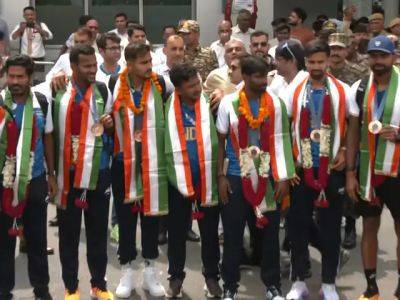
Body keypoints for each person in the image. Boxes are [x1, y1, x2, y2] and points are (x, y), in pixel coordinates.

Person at [284, 40, 359, 300]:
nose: (316, 67)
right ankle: (299, 281)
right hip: (301, 167)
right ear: (305, 62)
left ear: (328, 60)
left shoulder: (342, 89)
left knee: (329, 228)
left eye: (321, 62)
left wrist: (345, 153)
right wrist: (289, 160)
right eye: (311, 62)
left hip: (332, 168)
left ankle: (329, 282)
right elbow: (285, 125)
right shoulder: (294, 90)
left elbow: (352, 123)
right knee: (298, 225)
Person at [217, 55, 295, 300]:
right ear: (247, 77)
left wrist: (282, 178)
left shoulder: (276, 103)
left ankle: (272, 286)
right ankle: (229, 285)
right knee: (232, 233)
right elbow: (220, 141)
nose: (264, 81)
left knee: (270, 233)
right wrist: (221, 176)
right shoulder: (229, 103)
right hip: (235, 175)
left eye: (266, 76)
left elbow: (282, 142)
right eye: (259, 77)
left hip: (265, 173)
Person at [53, 44, 114, 300]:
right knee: (68, 236)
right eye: (86, 66)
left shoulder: (102, 89)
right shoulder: (56, 90)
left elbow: (111, 129)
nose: (92, 70)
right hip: (68, 175)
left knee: (98, 234)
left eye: (93, 65)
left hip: (98, 173)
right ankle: (71, 287)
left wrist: (110, 125)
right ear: (74, 66)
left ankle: (99, 284)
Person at [111, 43, 168, 299]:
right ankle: (126, 270)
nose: (149, 67)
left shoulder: (161, 84)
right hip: (123, 161)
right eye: (143, 63)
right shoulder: (115, 83)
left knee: (151, 217)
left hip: (153, 160)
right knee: (125, 218)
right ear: (129, 64)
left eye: (150, 62)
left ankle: (150, 270)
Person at [346, 35, 400, 300]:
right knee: (369, 226)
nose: (377, 62)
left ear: (394, 57)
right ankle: (371, 288)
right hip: (367, 172)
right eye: (373, 56)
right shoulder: (359, 87)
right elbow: (353, 132)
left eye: (383, 56)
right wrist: (350, 173)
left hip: (397, 171)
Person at [0, 55, 56, 300]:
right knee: (3, 242)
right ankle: (4, 290)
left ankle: (41, 290)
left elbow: (49, 137)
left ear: (30, 78)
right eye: (11, 76)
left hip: (36, 180)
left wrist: (52, 175)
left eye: (20, 76)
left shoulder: (42, 102)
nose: (15, 81)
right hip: (4, 183)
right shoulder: (1, 102)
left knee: (36, 239)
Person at [164, 62, 222, 298]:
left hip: (208, 181)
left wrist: (224, 91)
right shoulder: (165, 106)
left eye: (198, 83)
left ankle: (211, 278)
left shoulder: (213, 104)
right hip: (177, 181)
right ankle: (176, 277)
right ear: (178, 89)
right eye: (191, 86)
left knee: (209, 234)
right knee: (176, 233)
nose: (198, 89)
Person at [203, 39, 246, 110]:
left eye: (238, 49)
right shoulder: (215, 75)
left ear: (245, 53)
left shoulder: (254, 73)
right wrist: (213, 96)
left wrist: (225, 97)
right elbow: (204, 100)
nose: (234, 52)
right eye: (229, 51)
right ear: (224, 57)